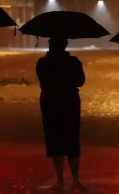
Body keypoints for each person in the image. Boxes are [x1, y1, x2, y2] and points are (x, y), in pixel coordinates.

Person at [36, 37, 87, 192]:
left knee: (55, 142)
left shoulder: (42, 63)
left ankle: (60, 181)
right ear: (65, 45)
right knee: (72, 141)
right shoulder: (73, 62)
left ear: (50, 45)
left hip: (50, 103)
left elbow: (42, 81)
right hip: (70, 103)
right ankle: (76, 180)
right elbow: (81, 81)